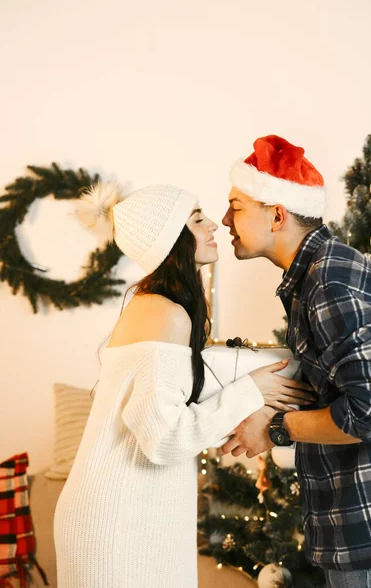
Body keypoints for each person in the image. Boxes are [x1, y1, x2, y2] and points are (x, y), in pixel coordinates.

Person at [53, 181, 313, 588]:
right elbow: (164, 438)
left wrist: (256, 400)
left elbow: (179, 405)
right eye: (196, 219)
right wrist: (252, 391)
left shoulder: (164, 307)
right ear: (171, 240)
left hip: (136, 513)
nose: (213, 224)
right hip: (116, 520)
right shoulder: (163, 313)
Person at [220, 134, 371, 588]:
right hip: (358, 524)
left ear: (277, 214)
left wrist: (277, 428)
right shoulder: (316, 276)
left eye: (236, 207)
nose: (225, 220)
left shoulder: (329, 280)